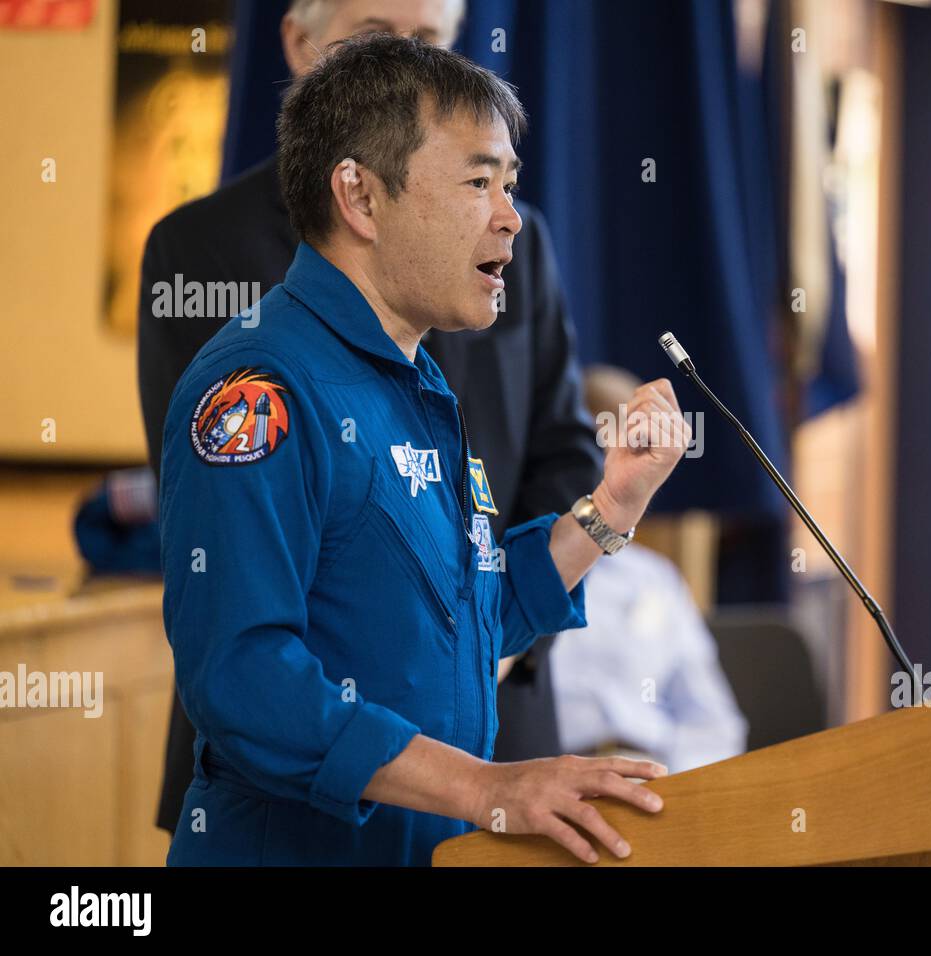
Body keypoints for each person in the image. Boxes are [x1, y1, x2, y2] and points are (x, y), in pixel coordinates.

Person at [160, 33, 692, 865]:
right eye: (479, 182)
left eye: (509, 185)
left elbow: (473, 628)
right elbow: (243, 678)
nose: (511, 216)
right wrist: (484, 787)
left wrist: (612, 504)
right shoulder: (259, 389)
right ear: (360, 198)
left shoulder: (418, 383)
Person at [551, 366, 748, 772]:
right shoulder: (530, 569)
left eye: (641, 447)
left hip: (654, 779)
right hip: (555, 782)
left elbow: (714, 724)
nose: (630, 468)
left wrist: (676, 792)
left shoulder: (656, 580)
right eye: (608, 445)